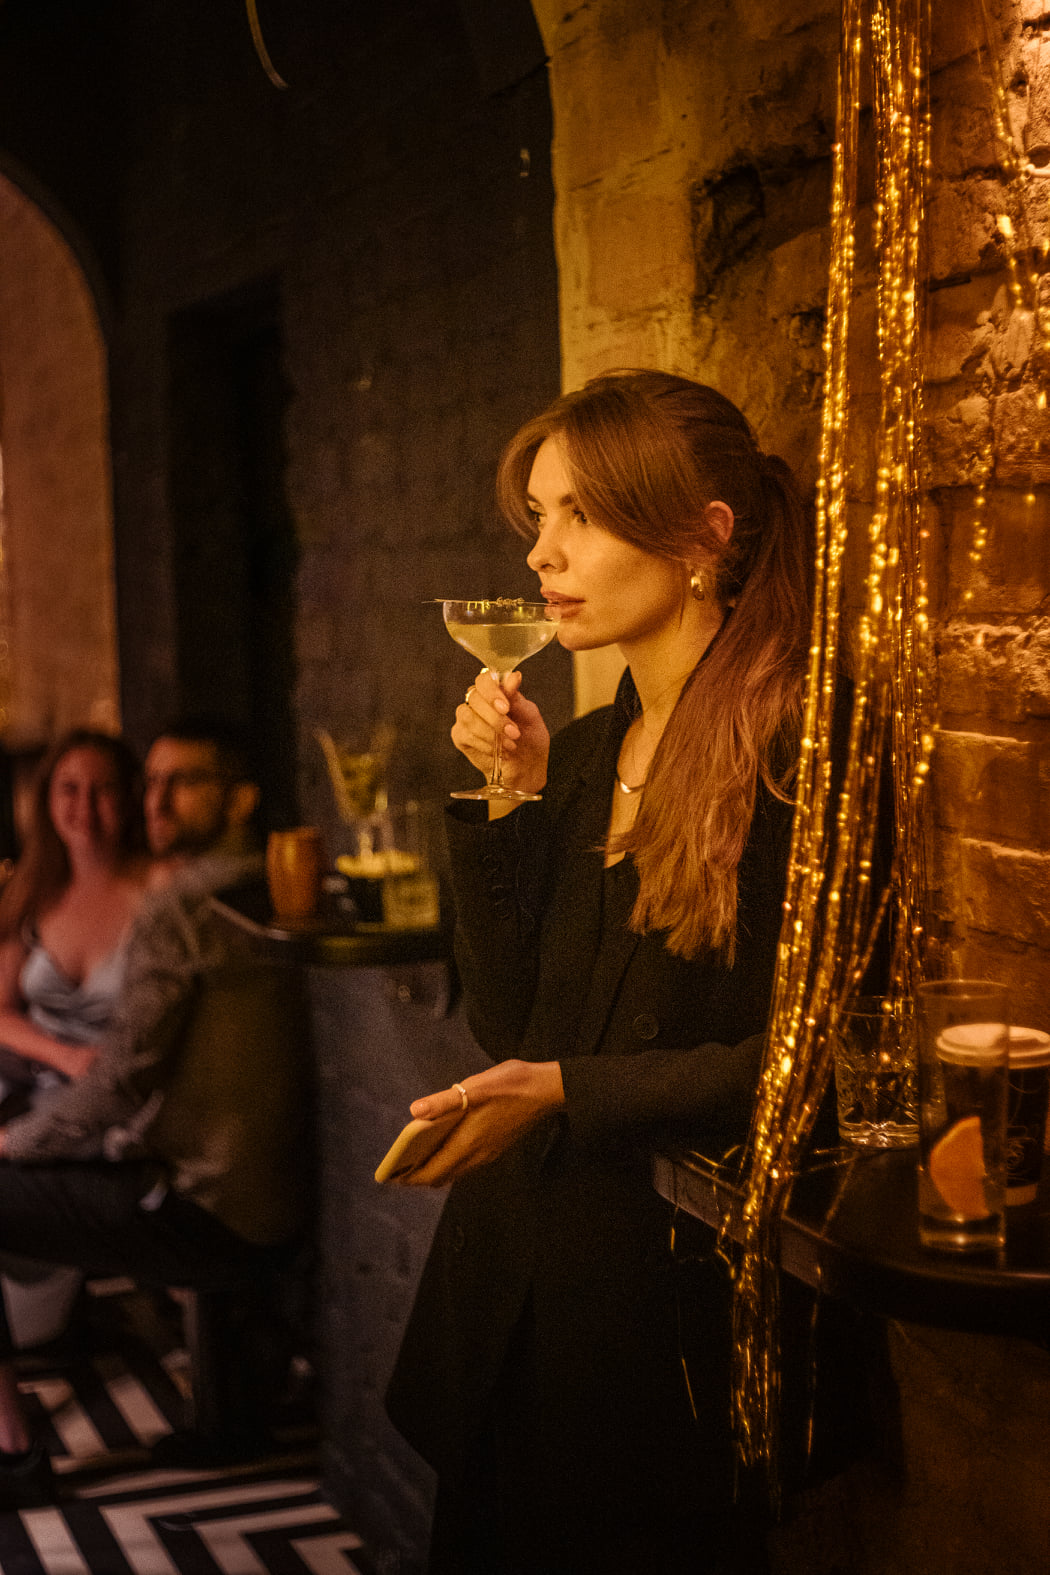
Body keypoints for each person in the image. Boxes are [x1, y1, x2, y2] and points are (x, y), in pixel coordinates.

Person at [386, 372, 841, 1574]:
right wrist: (509, 801)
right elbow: (508, 1023)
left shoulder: (800, 753)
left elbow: (825, 1064)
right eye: (540, 517)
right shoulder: (587, 751)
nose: (543, 553)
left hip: (661, 1331)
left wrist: (568, 1095)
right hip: (511, 1306)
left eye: (580, 516)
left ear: (704, 538)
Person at [0, 717, 310, 1504]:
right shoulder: (265, 882)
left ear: (240, 799)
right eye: (154, 782)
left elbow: (120, 1083)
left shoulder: (182, 905)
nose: (156, 800)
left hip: (200, 1203)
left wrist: (11, 1147)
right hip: (257, 1192)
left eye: (184, 782)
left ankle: (11, 1449)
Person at [0, 729, 151, 1105]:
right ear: (47, 800)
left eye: (104, 790)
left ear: (129, 798)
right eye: (69, 789)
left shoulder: (156, 893)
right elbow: (1, 1011)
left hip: (120, 1098)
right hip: (31, 1085)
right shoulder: (32, 891)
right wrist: (65, 1056)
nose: (85, 807)